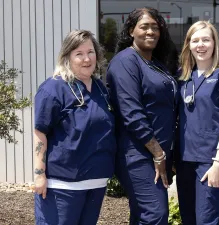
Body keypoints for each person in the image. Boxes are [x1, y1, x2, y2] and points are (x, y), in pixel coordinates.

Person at [33, 30, 116, 225]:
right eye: (79, 54)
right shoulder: (53, 88)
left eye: (91, 52)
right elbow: (40, 132)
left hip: (96, 183)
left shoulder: (100, 89)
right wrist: (39, 175)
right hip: (62, 186)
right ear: (67, 57)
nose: (87, 59)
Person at [106, 7, 178, 225]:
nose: (150, 32)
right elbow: (132, 113)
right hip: (137, 155)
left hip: (156, 155)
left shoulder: (155, 64)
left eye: (155, 27)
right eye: (144, 26)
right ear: (131, 31)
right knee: (155, 215)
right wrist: (158, 154)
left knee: (142, 215)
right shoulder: (125, 61)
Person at [176, 20, 219, 225]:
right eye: (195, 40)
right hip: (184, 158)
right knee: (188, 217)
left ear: (214, 43)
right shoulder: (184, 76)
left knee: (207, 218)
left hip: (210, 159)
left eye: (206, 39)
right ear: (188, 44)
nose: (201, 45)